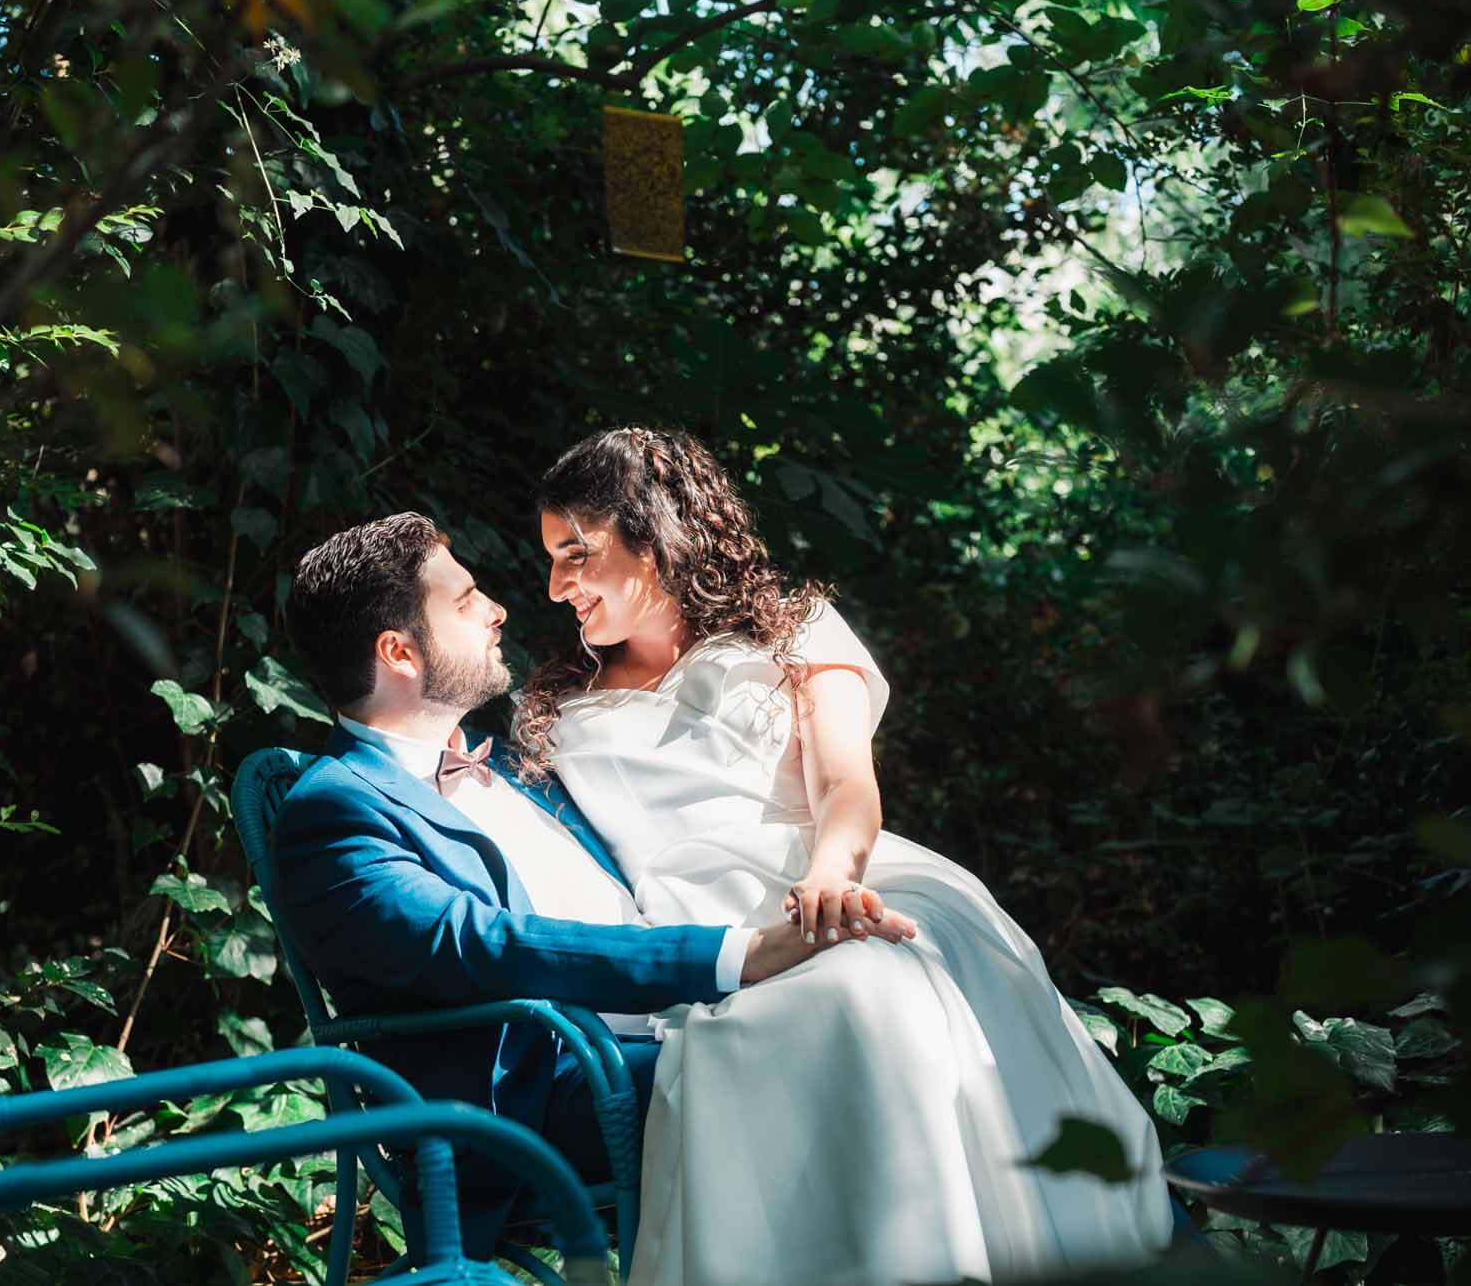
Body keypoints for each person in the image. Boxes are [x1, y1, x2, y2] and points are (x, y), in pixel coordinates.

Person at [513, 426, 1175, 1285]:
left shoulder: (796, 631)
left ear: (653, 534)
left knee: (888, 971)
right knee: (823, 1007)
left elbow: (844, 782)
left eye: (575, 553)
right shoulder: (557, 707)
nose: (556, 585)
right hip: (706, 931)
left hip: (837, 871)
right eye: (551, 560)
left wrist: (831, 874)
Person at [273, 512, 917, 1262]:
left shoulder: (518, 764)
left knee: (883, 995)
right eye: (467, 599)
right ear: (399, 652)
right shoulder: (335, 811)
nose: (498, 610)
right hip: (551, 1089)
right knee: (823, 1051)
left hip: (681, 1021)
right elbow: (485, 945)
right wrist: (741, 955)